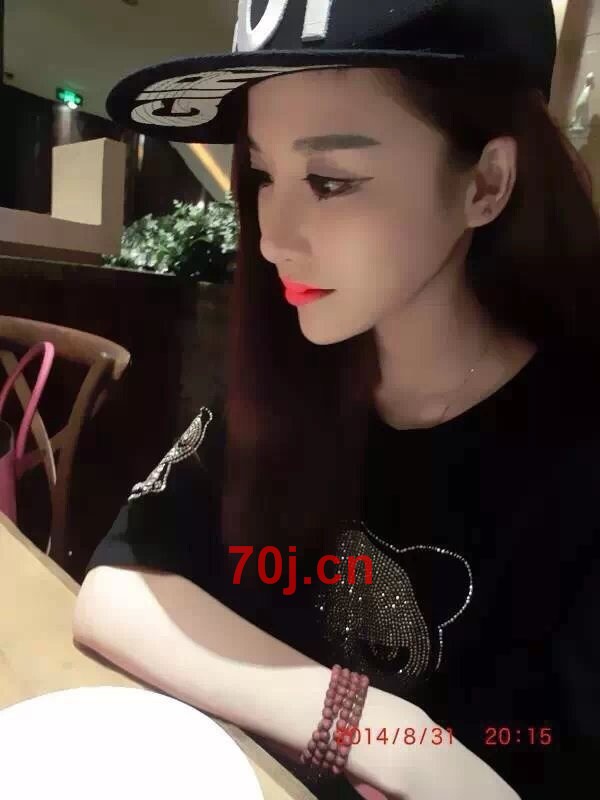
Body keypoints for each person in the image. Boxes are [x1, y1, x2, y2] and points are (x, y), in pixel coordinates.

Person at [73, 2, 600, 798]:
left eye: (330, 181)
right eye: (262, 175)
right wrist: (382, 732)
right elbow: (118, 590)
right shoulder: (301, 373)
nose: (273, 237)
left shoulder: (575, 455)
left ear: (486, 184)